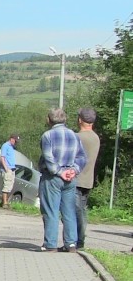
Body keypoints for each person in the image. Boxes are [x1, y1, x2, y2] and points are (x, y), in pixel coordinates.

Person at [38, 108, 86, 252]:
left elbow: (48, 158)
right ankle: (71, 243)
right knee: (69, 211)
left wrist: (60, 172)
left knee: (51, 210)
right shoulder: (74, 135)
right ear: (65, 119)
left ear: (49, 120)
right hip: (70, 178)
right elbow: (82, 157)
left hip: (52, 177)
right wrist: (73, 170)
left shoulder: (47, 135)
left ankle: (50, 244)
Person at [75, 107, 100, 249]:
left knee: (76, 212)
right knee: (82, 210)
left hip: (77, 179)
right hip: (88, 180)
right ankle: (80, 240)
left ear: (80, 120)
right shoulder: (95, 137)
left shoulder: (78, 137)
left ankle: (78, 241)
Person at [0, 134, 19, 208]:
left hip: (12, 168)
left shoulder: (11, 147)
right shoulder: (5, 146)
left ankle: (4, 201)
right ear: (11, 139)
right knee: (7, 185)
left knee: (10, 186)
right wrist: (6, 168)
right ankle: (5, 203)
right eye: (15, 141)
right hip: (7, 169)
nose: (15, 143)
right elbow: (2, 157)